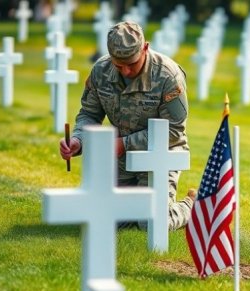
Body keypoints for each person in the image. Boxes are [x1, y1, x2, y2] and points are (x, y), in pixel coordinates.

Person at [59, 21, 195, 231]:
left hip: (160, 154)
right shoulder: (101, 72)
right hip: (121, 158)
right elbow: (89, 114)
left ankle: (191, 206)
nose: (126, 70)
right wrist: (78, 140)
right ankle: (140, 206)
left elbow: (174, 131)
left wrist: (125, 144)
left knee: (152, 224)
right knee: (104, 218)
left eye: (132, 63)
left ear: (145, 48)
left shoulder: (168, 76)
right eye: (118, 65)